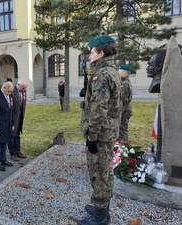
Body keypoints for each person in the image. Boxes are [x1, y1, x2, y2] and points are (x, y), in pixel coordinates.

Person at [79, 35, 121, 225]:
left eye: (92, 52)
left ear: (101, 53)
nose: (89, 55)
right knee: (103, 171)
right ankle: (100, 207)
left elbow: (99, 108)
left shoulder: (102, 74)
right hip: (107, 131)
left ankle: (101, 217)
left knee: (99, 172)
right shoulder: (110, 70)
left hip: (101, 134)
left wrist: (92, 136)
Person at [8, 80, 28, 161]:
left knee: (17, 135)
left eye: (24, 88)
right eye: (22, 88)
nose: (23, 89)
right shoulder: (12, 91)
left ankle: (18, 151)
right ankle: (12, 153)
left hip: (20, 116)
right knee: (12, 136)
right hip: (13, 117)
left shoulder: (23, 91)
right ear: (18, 84)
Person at [118, 64, 133, 144]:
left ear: (124, 73)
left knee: (122, 131)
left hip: (123, 112)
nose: (117, 72)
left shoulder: (124, 84)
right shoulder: (123, 82)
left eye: (119, 71)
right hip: (124, 111)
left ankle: (122, 150)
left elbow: (122, 100)